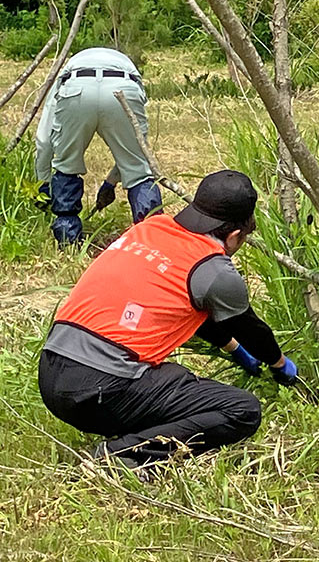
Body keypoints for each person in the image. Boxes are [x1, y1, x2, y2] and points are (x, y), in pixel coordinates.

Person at [38, 170, 298, 470]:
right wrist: (280, 366)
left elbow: (189, 308)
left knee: (172, 378)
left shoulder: (148, 229)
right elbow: (252, 330)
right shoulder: (214, 268)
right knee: (242, 410)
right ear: (235, 235)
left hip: (52, 372)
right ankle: (121, 455)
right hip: (101, 388)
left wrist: (234, 350)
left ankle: (126, 436)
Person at [35, 47, 163, 246]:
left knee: (66, 165)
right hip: (124, 85)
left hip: (76, 87)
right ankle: (152, 243)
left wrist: (42, 184)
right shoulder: (128, 66)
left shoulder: (67, 71)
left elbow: (44, 139)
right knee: (138, 169)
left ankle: (68, 240)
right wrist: (111, 183)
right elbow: (137, 150)